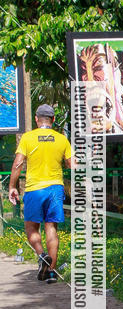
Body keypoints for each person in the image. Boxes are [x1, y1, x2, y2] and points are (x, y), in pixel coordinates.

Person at [8, 104, 72, 284]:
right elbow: (71, 164)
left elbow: (18, 164)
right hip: (55, 188)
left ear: (36, 119)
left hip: (34, 189)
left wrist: (12, 186)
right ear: (52, 120)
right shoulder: (61, 139)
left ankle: (42, 255)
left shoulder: (28, 138)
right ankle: (51, 273)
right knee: (51, 228)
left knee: (31, 228)